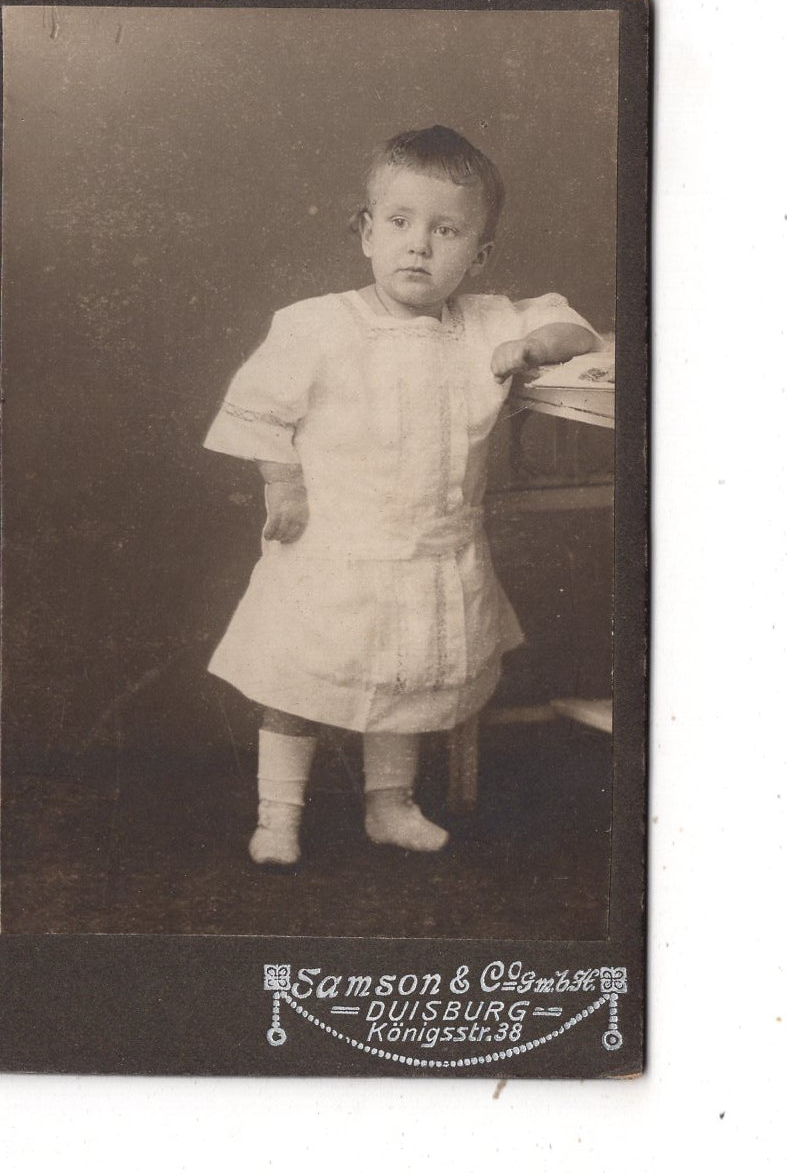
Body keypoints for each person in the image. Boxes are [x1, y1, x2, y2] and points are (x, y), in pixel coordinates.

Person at [204, 125, 599, 867]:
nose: (418, 246)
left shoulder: (485, 321)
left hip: (431, 556)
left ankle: (390, 805)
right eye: (399, 222)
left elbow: (571, 328)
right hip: (333, 550)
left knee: (408, 682)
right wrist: (282, 484)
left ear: (478, 254)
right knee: (297, 682)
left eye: (446, 231)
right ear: (366, 233)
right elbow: (259, 412)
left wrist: (532, 346)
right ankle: (278, 815)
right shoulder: (318, 325)